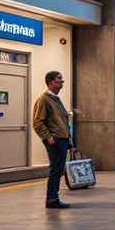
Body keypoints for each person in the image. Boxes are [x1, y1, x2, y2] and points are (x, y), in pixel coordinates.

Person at [32, 70, 72, 209]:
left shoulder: (55, 99)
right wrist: (48, 137)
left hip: (61, 138)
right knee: (56, 169)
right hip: (55, 139)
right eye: (59, 79)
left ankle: (53, 197)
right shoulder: (44, 100)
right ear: (50, 82)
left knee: (58, 169)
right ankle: (52, 198)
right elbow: (37, 122)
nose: (62, 82)